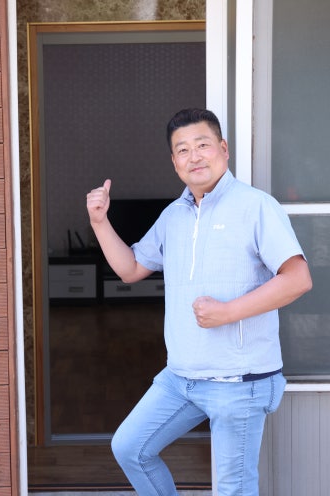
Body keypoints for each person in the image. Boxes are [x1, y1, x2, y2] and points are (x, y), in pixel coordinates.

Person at [85, 108, 312, 495]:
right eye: (183, 150)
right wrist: (99, 222)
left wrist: (227, 312)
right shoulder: (173, 216)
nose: (194, 156)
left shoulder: (256, 206)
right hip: (181, 378)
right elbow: (131, 268)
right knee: (131, 448)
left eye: (202, 145)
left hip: (239, 381)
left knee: (233, 489)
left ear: (223, 149)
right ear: (174, 163)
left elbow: (298, 279)